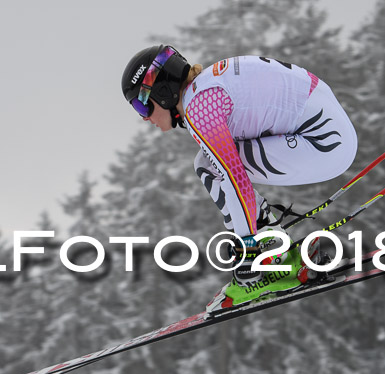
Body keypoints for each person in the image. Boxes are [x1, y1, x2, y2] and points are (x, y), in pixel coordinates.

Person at [121, 45, 358, 309]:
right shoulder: (207, 86)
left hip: (324, 142)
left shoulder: (200, 107)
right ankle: (267, 241)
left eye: (142, 107)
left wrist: (247, 252)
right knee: (209, 161)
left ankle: (267, 258)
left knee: (211, 167)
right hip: (327, 130)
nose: (144, 119)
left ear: (162, 93)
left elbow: (234, 178)